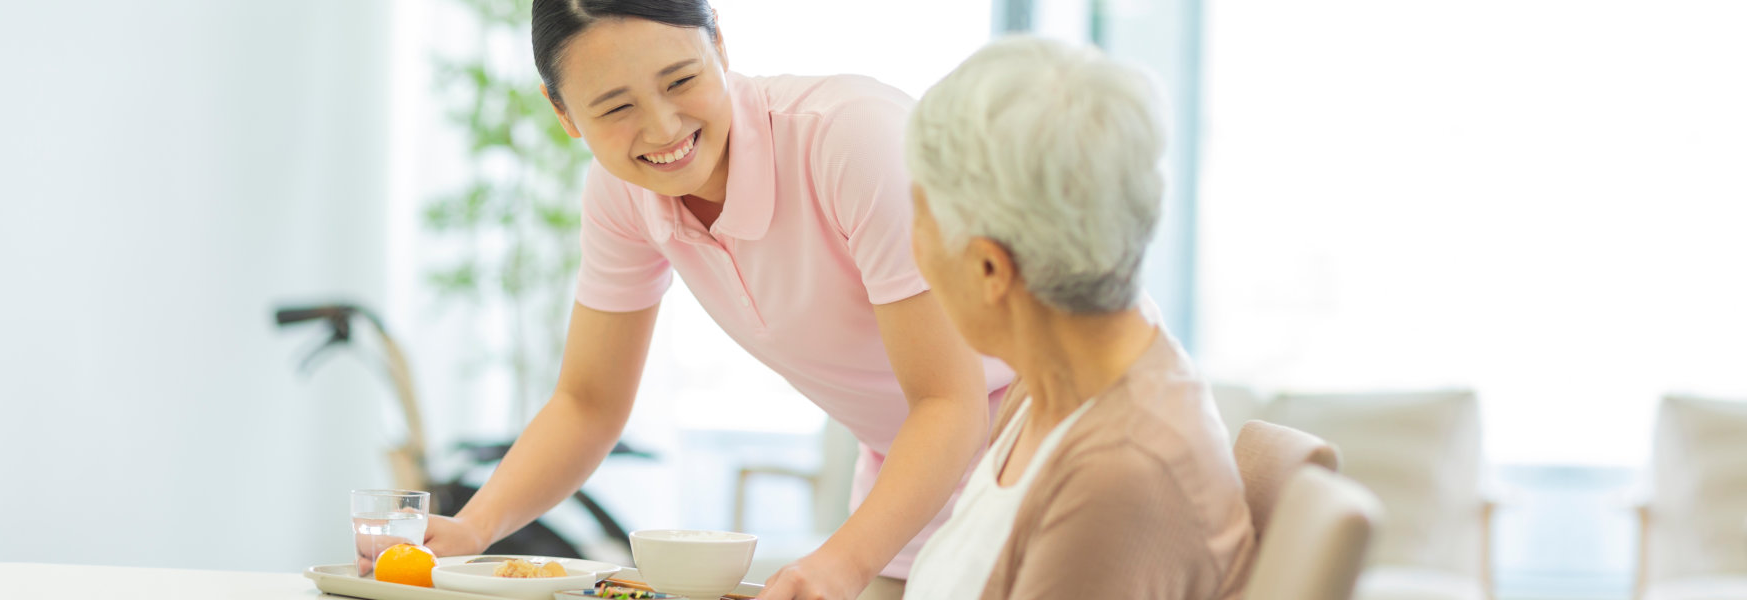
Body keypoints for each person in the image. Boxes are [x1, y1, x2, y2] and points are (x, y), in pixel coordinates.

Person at [417, 1, 1014, 599]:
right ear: (563, 113)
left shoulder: (851, 137)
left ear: (720, 46)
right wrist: (473, 527)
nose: (663, 129)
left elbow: (950, 402)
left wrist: (842, 563)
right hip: (908, 474)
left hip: (1035, 437)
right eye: (617, 107)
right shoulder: (622, 193)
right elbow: (588, 401)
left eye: (681, 80)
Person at [900, 37, 1256, 599]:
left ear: (990, 268)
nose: (910, 245)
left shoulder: (1122, 477)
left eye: (917, 215)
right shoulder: (1048, 387)